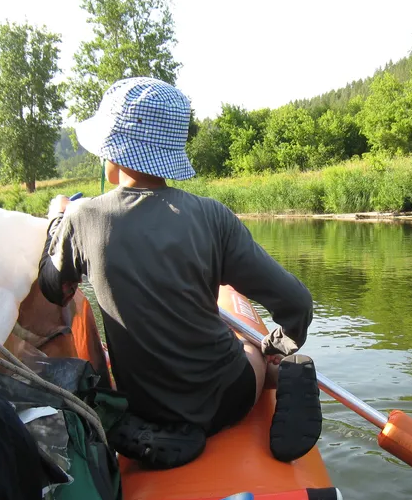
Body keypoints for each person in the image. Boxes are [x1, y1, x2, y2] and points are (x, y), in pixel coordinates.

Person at [38, 77, 321, 468]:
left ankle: (165, 429)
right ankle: (287, 370)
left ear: (113, 152)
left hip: (147, 407)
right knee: (251, 348)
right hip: (226, 399)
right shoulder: (212, 216)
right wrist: (276, 345)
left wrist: (57, 221)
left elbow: (53, 288)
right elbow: (297, 303)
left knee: (241, 352)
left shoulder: (82, 218)